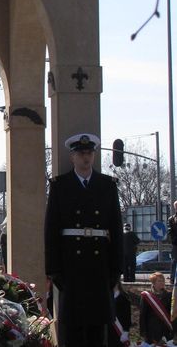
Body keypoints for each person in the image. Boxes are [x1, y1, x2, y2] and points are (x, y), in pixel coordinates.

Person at [44, 133, 123, 347]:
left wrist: (116, 269)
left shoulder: (107, 185)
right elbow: (51, 231)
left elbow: (116, 229)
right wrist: (53, 270)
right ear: (72, 157)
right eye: (81, 154)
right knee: (72, 328)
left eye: (89, 153)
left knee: (98, 329)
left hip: (100, 266)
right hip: (72, 266)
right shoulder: (60, 186)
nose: (85, 158)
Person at [139, 272, 175, 345]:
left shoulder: (169, 295)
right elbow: (142, 314)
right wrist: (143, 331)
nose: (162, 282)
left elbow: (173, 313)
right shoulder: (146, 296)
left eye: (163, 280)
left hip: (166, 330)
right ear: (153, 282)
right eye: (159, 281)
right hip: (151, 330)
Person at [108, 281, 131, 347]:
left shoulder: (124, 297)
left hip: (120, 330)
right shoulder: (106, 297)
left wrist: (126, 331)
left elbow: (127, 316)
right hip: (109, 330)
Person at [168, 201, 177, 283]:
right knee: (174, 261)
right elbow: (170, 231)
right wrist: (173, 240)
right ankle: (172, 278)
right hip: (176, 243)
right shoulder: (171, 219)